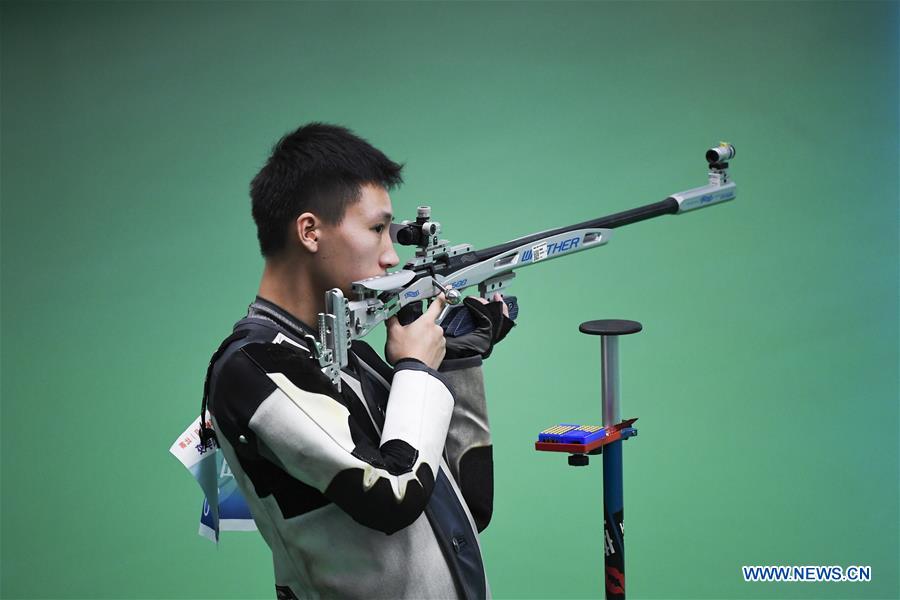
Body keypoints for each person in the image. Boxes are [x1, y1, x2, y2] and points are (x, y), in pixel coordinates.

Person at [204, 123, 514, 600]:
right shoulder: (253, 368)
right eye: (376, 229)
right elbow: (392, 493)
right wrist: (416, 371)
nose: (392, 256)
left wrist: (457, 363)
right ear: (310, 231)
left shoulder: (352, 356)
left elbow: (469, 508)